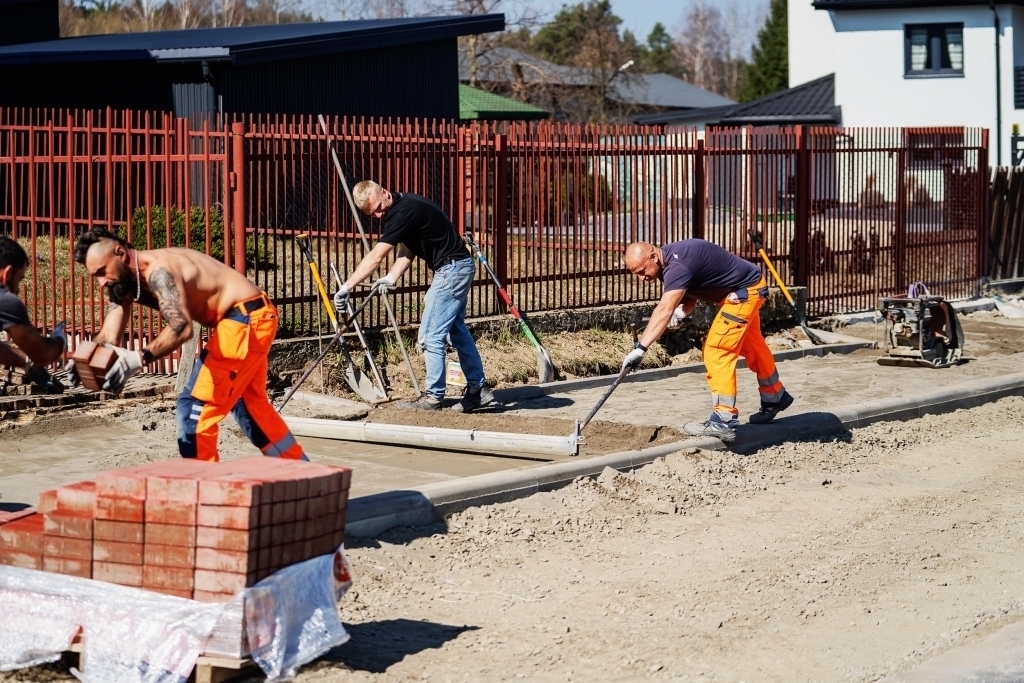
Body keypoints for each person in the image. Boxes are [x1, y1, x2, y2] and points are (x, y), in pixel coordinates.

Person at [71, 228, 306, 462]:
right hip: (248, 318)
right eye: (96, 276)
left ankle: (203, 491)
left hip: (245, 318)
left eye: (102, 271)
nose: (101, 282)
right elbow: (109, 335)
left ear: (120, 253)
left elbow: (182, 327)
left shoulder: (159, 271)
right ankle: (302, 475)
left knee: (195, 407)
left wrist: (138, 359)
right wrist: (87, 358)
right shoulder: (124, 281)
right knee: (248, 406)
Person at [334, 181, 492, 413]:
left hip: (451, 270)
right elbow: (410, 247)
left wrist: (346, 286)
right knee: (456, 330)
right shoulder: (405, 203)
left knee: (430, 336)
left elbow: (376, 256)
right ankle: (479, 389)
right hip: (457, 266)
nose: (378, 215)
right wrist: (392, 276)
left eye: (378, 208)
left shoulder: (401, 212)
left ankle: (433, 397)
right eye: (372, 214)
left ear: (385, 193)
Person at [621, 239, 794, 443]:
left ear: (652, 256)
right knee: (752, 345)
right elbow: (690, 293)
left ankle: (724, 420)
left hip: (743, 294)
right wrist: (680, 311)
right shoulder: (669, 261)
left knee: (717, 350)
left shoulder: (678, 266)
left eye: (641, 271)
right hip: (749, 288)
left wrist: (641, 348)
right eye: (636, 274)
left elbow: (663, 309)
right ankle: (774, 396)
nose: (641, 278)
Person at [0, 237, 66, 393]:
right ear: (8, 273)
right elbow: (43, 354)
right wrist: (59, 341)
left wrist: (25, 362)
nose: (17, 290)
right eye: (19, 279)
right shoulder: (5, 300)